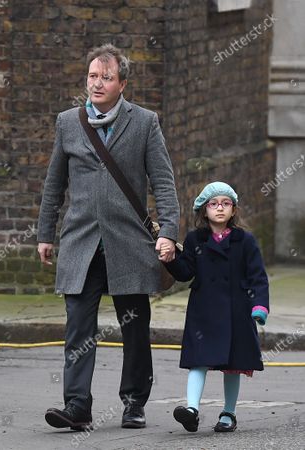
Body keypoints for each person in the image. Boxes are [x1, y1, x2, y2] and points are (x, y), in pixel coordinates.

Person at [37, 43, 180, 430]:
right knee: (78, 328)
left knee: (134, 328)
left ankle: (134, 402)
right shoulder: (68, 122)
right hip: (81, 242)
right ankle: (77, 406)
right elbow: (54, 183)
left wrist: (168, 230)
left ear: (122, 83)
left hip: (129, 243)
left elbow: (163, 182)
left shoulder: (145, 122)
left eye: (106, 77)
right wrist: (45, 233)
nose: (97, 84)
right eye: (92, 76)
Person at [160, 181, 269, 433]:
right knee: (198, 360)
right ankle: (191, 410)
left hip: (237, 311)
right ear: (204, 209)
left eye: (226, 203)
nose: (220, 208)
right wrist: (171, 260)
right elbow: (186, 272)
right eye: (214, 204)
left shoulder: (245, 241)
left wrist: (259, 306)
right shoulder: (195, 239)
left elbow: (258, 277)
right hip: (204, 311)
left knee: (233, 364)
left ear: (233, 210)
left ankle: (228, 413)